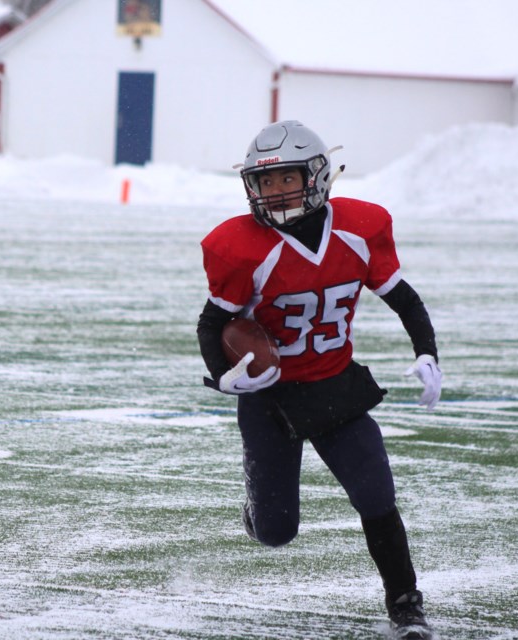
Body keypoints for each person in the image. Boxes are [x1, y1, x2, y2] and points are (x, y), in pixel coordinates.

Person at [196, 120, 442, 640]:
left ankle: (405, 604)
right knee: (275, 532)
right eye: (265, 182)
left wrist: (427, 354)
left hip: (335, 385)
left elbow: (405, 299)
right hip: (270, 396)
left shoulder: (359, 228)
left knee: (377, 496)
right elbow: (213, 323)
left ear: (318, 175)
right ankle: (257, 510)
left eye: (287, 179)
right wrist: (225, 379)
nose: (276, 192)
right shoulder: (239, 246)